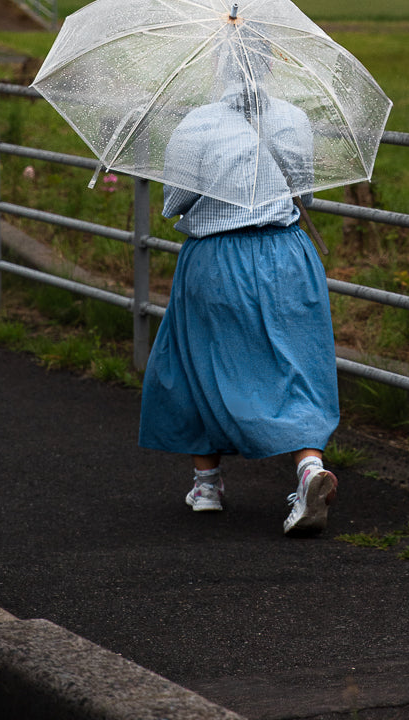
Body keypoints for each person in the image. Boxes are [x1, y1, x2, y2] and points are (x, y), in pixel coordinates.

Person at [138, 32, 340, 535]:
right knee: (295, 365)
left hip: (219, 259)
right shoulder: (293, 118)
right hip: (288, 255)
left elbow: (175, 202)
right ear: (269, 66)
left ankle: (206, 485)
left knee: (196, 360)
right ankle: (309, 469)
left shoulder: (199, 122)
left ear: (217, 65)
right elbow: (304, 193)